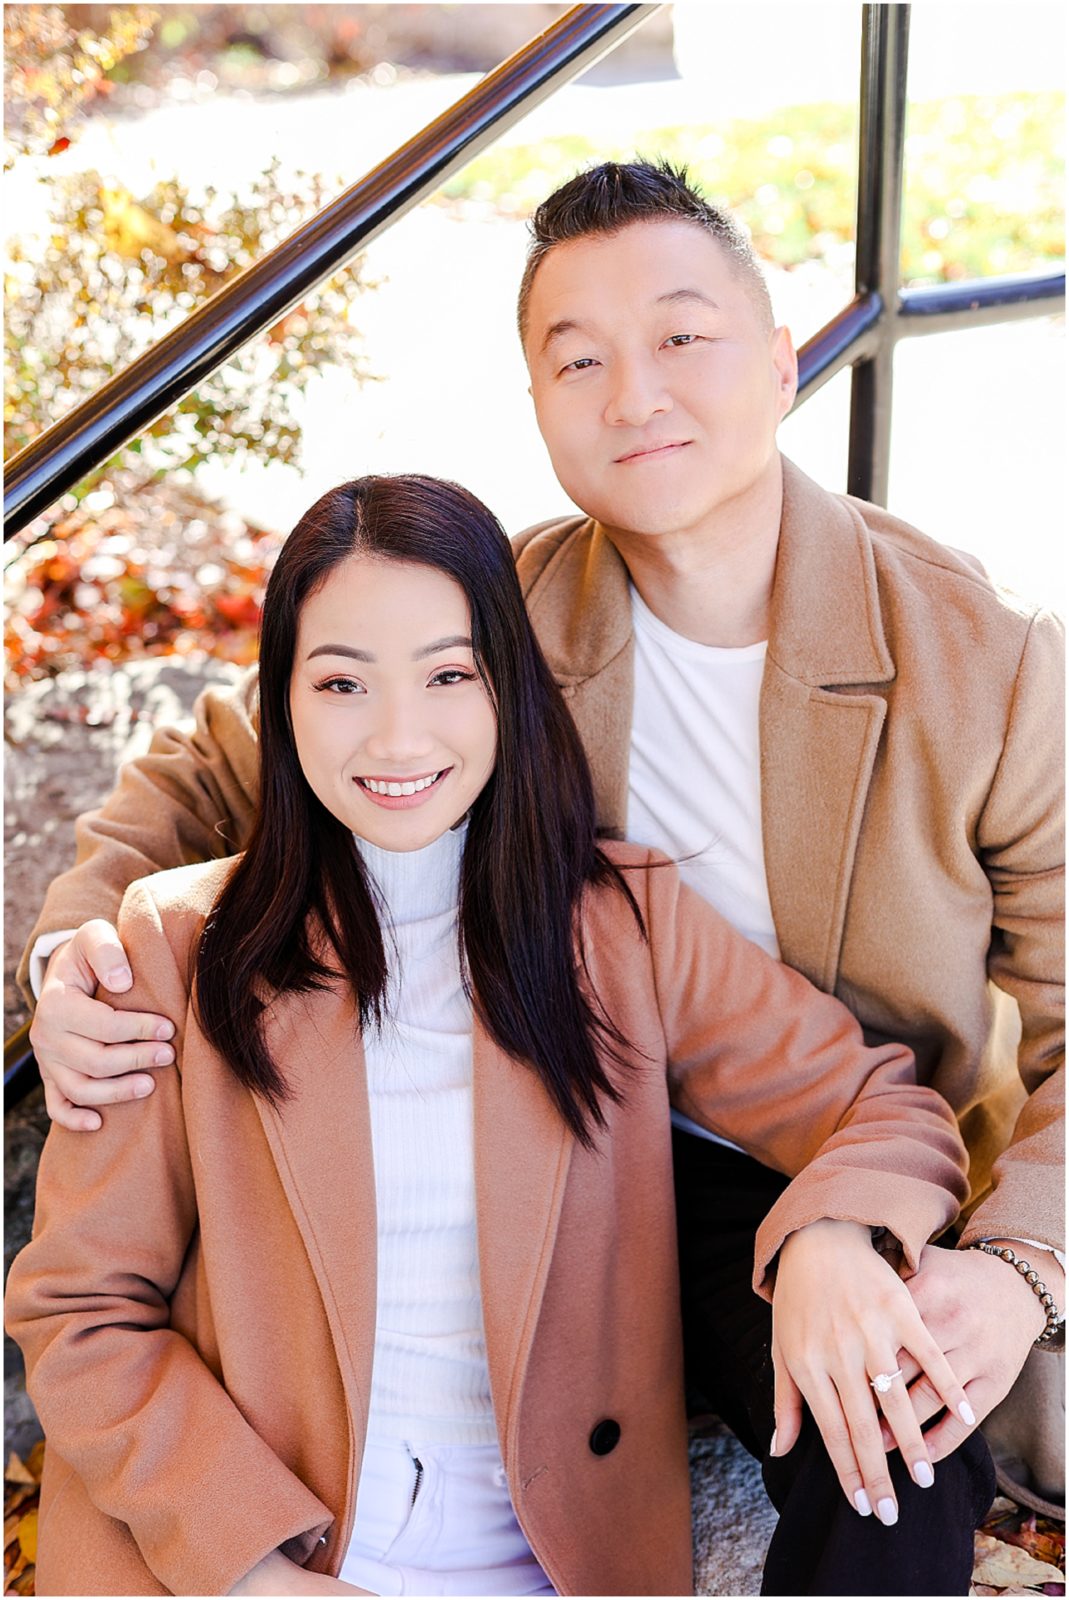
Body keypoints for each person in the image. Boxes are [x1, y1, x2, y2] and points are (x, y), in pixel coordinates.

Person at [19, 163, 1064, 1593]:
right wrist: (70, 961)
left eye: (683, 338)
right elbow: (214, 773)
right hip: (592, 1150)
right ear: (537, 405)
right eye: (578, 358)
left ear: (777, 361)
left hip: (818, 1154)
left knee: (897, 1429)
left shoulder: (981, 664)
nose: (634, 394)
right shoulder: (498, 624)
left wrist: (1005, 1269)